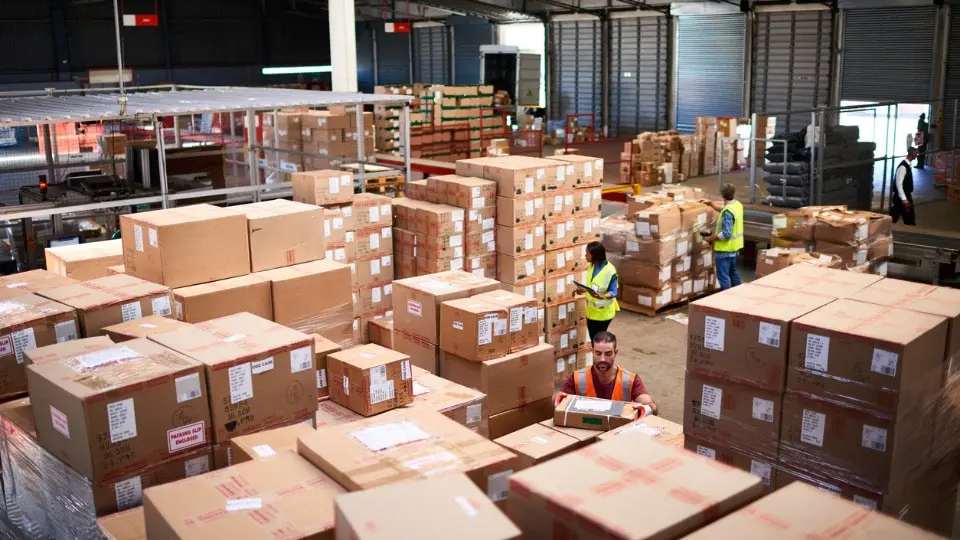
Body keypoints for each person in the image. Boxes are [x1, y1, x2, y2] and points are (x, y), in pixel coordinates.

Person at [559, 331, 657, 416]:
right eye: (598, 353)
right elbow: (558, 402)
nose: (602, 359)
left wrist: (649, 407)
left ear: (616, 352)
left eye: (608, 354)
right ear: (592, 352)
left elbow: (651, 406)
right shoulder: (577, 378)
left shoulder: (630, 380)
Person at [702, 183, 743, 290]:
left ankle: (727, 301)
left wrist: (710, 238)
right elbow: (725, 210)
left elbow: (726, 234)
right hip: (734, 247)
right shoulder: (737, 205)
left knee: (723, 277)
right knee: (733, 273)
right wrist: (711, 204)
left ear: (723, 196)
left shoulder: (728, 212)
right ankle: (739, 295)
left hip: (725, 249)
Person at [577, 241, 619, 341]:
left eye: (587, 253)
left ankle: (601, 356)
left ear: (594, 255)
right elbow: (593, 286)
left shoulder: (610, 271)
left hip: (603, 314)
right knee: (594, 341)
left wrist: (603, 296)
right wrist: (583, 290)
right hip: (591, 313)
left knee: (598, 341)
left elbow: (613, 292)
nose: (585, 255)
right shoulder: (591, 266)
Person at [891, 148, 918, 226]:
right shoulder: (903, 167)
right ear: (911, 154)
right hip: (902, 196)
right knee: (909, 216)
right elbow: (899, 184)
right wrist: (904, 199)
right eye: (915, 154)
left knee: (895, 214)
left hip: (902, 196)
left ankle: (885, 225)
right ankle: (911, 229)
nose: (917, 155)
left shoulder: (908, 165)